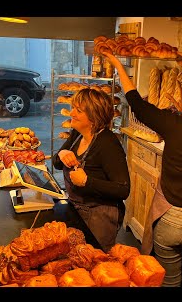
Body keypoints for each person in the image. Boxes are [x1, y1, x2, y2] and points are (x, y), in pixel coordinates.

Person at [103, 51, 182, 286]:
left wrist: (117, 64)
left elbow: (135, 101)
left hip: (175, 219)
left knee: (169, 280)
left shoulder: (174, 124)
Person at [52, 88, 130, 252]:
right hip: (76, 209)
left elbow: (123, 189)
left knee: (94, 261)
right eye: (73, 107)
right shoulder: (77, 134)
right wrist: (62, 153)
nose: (71, 113)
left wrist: (87, 181)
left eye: (78, 110)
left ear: (94, 117)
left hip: (99, 217)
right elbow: (57, 163)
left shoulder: (108, 144)